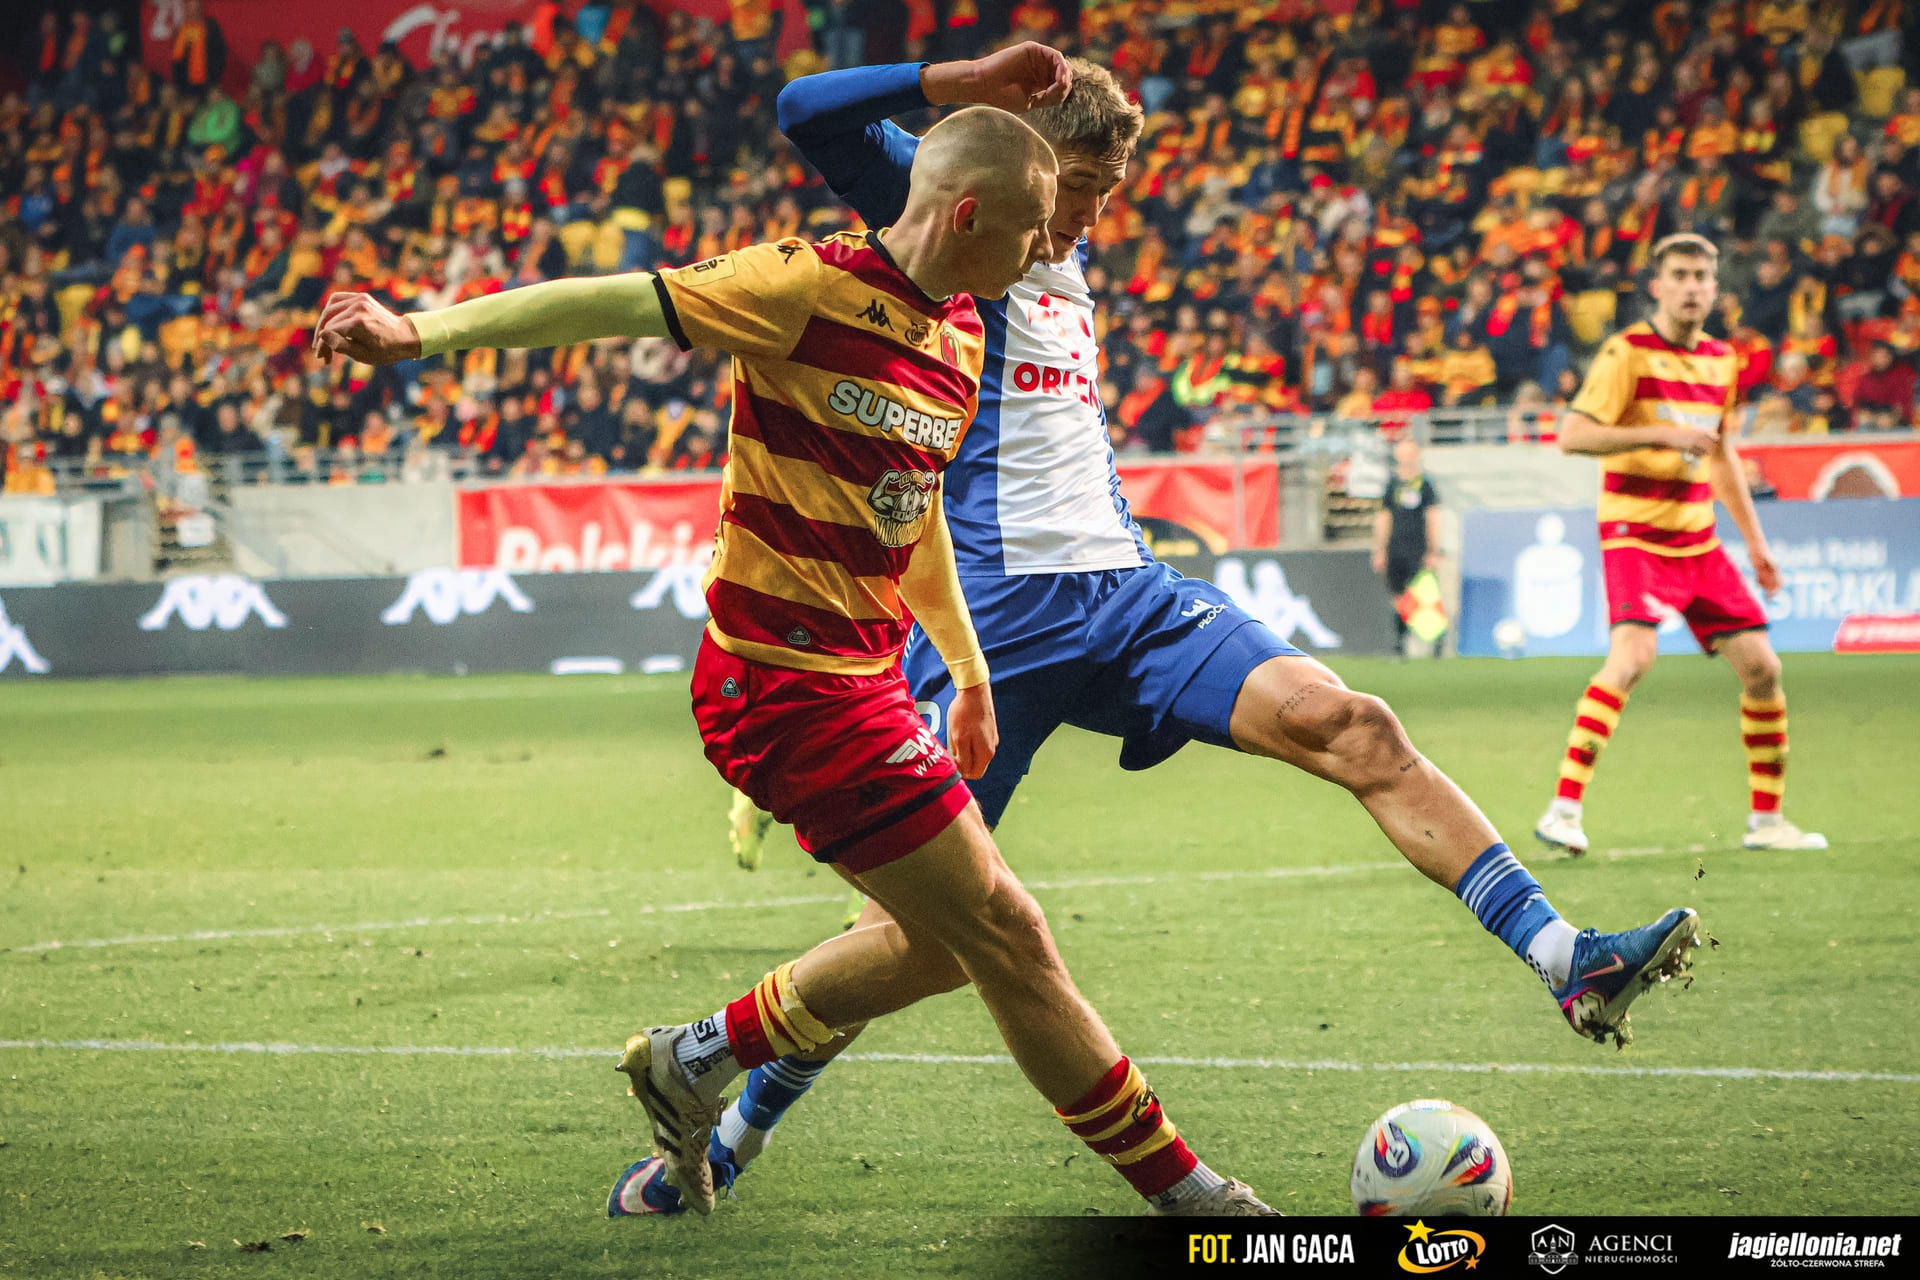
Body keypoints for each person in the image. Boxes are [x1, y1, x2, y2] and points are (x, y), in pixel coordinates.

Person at [630, 45, 1702, 1218]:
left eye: (1106, 193)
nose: (1090, 217)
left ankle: (1568, 958)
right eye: (1083, 187)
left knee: (1356, 723)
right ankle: (727, 1132)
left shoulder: (1064, 252)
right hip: (993, 621)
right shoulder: (960, 208)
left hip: (1127, 594)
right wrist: (967, 80)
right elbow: (804, 109)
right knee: (912, 934)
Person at [315, 103, 1278, 1221]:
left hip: (868, 682)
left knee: (939, 946)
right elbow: (609, 301)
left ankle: (694, 1058)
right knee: (1008, 934)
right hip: (779, 684)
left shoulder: (962, 339)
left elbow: (912, 514)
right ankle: (1194, 1196)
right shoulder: (799, 285)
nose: (1044, 253)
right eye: (1031, 231)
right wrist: (417, 333)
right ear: (968, 215)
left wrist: (967, 670)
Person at [1535, 233, 1827, 857]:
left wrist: (1756, 543)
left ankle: (1767, 822)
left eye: (1702, 276)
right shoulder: (1626, 353)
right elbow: (1573, 435)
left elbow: (1720, 456)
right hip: (1635, 534)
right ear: (1657, 287)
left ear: (1715, 289)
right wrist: (1661, 434)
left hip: (1697, 539)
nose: (1692, 286)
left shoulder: (1722, 360)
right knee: (1633, 659)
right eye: (1681, 275)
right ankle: (1563, 811)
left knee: (1763, 667)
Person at [1371, 437, 1442, 657]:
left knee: (1422, 594)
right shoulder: (1392, 484)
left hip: (1418, 548)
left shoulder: (1424, 484)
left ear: (1416, 456)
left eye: (1409, 454)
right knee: (1397, 596)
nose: (1405, 459)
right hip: (1395, 548)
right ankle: (1400, 643)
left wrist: (1433, 550)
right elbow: (1384, 517)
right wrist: (1380, 549)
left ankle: (1435, 641)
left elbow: (1432, 517)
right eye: (1402, 454)